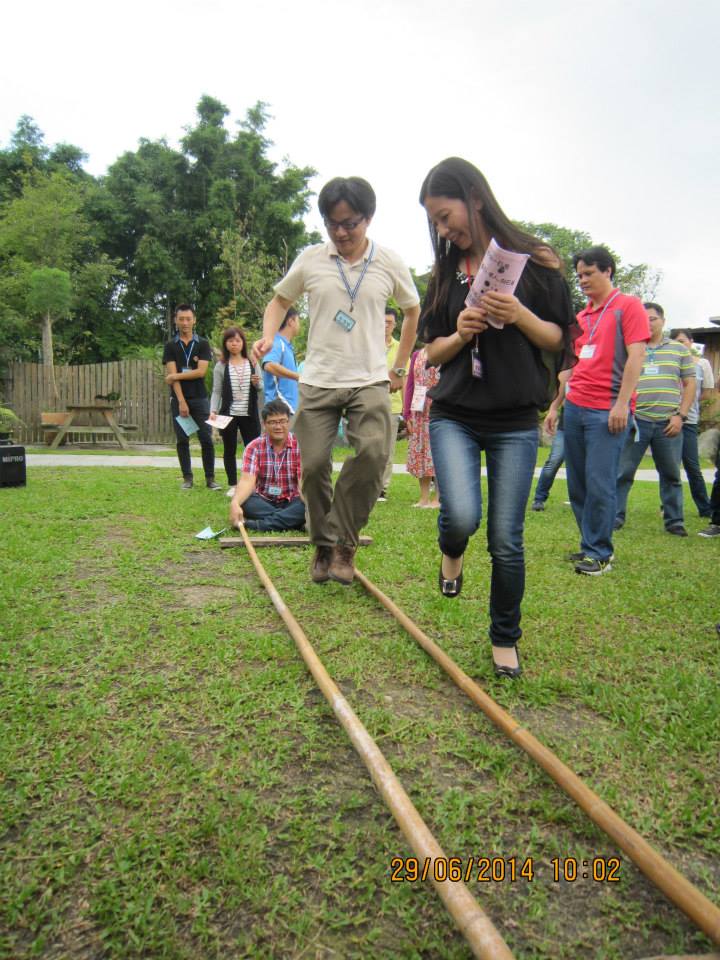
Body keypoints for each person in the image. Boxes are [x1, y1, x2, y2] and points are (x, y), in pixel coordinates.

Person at [418, 157, 577, 678]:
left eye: (446, 215)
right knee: (460, 516)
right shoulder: (444, 275)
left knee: (507, 540)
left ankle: (504, 635)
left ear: (475, 197)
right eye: (436, 222)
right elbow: (431, 355)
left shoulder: (538, 260)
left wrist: (520, 315)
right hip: (454, 414)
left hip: (514, 420)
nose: (444, 230)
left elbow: (559, 339)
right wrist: (461, 333)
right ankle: (451, 552)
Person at [254, 175, 420, 585]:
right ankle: (323, 546)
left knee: (373, 455)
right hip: (319, 379)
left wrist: (398, 367)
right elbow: (280, 300)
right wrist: (268, 335)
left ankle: (345, 542)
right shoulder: (312, 258)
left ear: (368, 218)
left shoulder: (388, 261)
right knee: (311, 466)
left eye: (351, 223)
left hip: (369, 378)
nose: (342, 232)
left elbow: (413, 310)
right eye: (334, 224)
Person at [562, 246, 650, 574]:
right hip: (576, 406)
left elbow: (637, 356)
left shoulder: (628, 306)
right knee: (578, 484)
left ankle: (600, 553)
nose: (583, 280)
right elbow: (570, 365)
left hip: (606, 409)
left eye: (589, 273)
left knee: (601, 483)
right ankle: (589, 543)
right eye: (579, 275)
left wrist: (622, 404)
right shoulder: (581, 317)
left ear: (608, 271)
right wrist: (558, 404)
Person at [615, 303, 695, 535]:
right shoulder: (630, 348)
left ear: (663, 321)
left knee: (671, 474)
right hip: (635, 421)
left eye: (653, 319)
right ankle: (616, 516)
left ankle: (674, 521)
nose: (648, 323)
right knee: (623, 472)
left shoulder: (679, 350)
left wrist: (681, 416)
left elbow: (690, 384)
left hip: (668, 422)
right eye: (643, 318)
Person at [163, 303, 220, 490]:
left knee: (206, 438)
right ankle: (187, 478)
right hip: (179, 400)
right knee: (182, 440)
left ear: (194, 320)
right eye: (181, 319)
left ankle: (210, 479)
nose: (185, 323)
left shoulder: (202, 343)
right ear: (176, 321)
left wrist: (175, 375)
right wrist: (181, 401)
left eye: (188, 319)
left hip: (200, 399)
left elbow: (201, 372)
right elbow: (172, 378)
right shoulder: (171, 345)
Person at [228, 400, 305, 532]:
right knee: (245, 502)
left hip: (292, 499)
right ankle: (293, 521)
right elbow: (247, 481)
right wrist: (235, 503)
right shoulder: (253, 447)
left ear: (289, 422)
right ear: (264, 424)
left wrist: (309, 504)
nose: (278, 426)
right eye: (272, 422)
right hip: (264, 500)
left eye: (282, 421)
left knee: (309, 505)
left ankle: (259, 525)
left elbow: (303, 483)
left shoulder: (301, 445)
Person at [210, 326, 262, 497]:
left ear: (243, 343)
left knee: (253, 449)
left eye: (238, 340)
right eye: (230, 340)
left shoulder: (253, 363)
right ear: (225, 344)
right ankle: (233, 484)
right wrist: (213, 410)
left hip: (249, 414)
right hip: (228, 414)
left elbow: (260, 387)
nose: (234, 344)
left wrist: (256, 383)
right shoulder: (221, 366)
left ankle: (253, 485)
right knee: (229, 449)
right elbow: (216, 391)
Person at [671, 328, 715, 518]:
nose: (681, 345)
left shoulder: (701, 363)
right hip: (667, 419)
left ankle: (705, 507)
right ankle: (670, 506)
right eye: (677, 341)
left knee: (692, 465)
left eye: (684, 341)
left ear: (690, 342)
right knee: (669, 467)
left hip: (689, 420)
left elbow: (705, 392)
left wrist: (688, 405)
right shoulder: (669, 362)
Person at [403, 346, 440, 507]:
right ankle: (423, 497)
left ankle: (438, 498)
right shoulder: (417, 354)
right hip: (419, 410)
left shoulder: (447, 350)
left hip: (440, 408)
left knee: (438, 452)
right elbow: (410, 384)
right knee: (421, 453)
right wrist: (407, 413)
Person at [379, 306, 404, 500]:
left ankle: (382, 488)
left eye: (389, 322)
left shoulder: (400, 348)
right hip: (370, 403)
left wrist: (407, 409)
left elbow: (405, 380)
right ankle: (368, 484)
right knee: (369, 447)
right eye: (383, 321)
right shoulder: (369, 345)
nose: (386, 326)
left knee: (387, 449)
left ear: (395, 325)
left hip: (393, 405)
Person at [531, 382, 566, 510]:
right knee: (554, 461)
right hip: (566, 427)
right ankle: (539, 499)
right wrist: (554, 408)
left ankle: (585, 501)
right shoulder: (573, 367)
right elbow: (561, 388)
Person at [261, 307, 301, 417]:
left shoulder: (286, 346)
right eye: (298, 320)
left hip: (287, 410)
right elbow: (269, 365)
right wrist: (298, 376)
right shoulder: (277, 342)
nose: (299, 325)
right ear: (290, 321)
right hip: (278, 411)